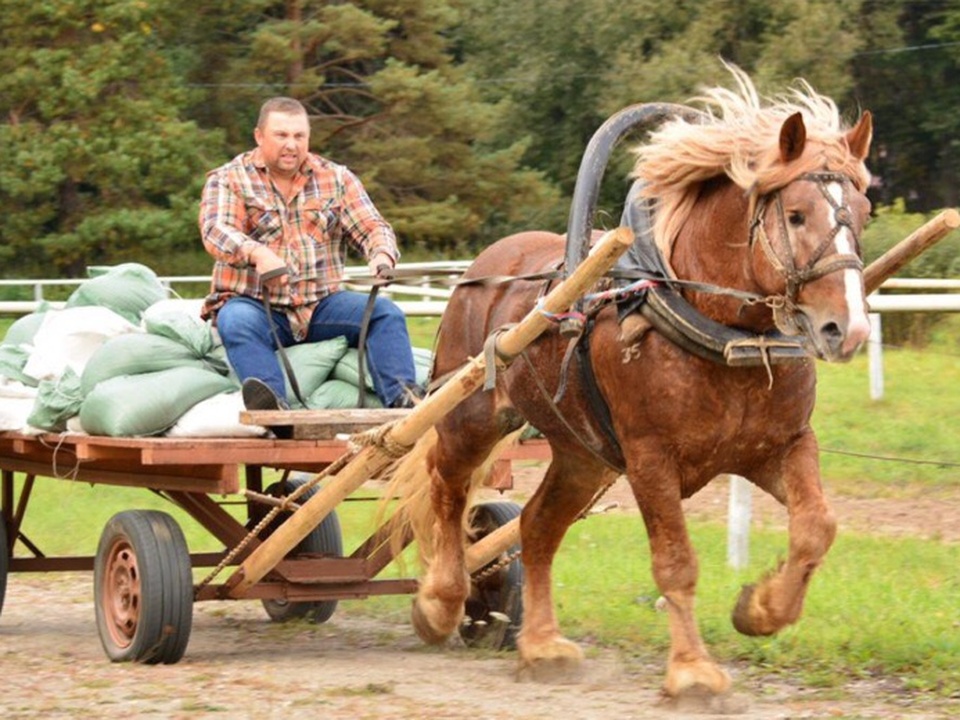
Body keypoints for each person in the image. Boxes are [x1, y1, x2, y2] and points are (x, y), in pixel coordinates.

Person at [199, 96, 419, 422]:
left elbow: (372, 225)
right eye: (281, 135)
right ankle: (273, 410)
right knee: (235, 321)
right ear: (259, 136)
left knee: (384, 313)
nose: (291, 145)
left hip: (320, 306)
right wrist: (257, 253)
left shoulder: (336, 178)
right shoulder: (230, 179)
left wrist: (381, 254)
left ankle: (405, 405)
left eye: (299, 136)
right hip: (259, 306)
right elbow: (215, 229)